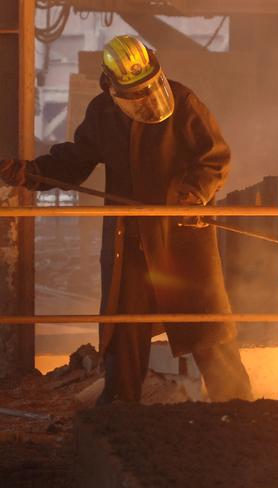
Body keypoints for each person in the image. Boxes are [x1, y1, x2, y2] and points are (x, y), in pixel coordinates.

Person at [0, 35, 253, 404]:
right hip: (129, 242)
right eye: (131, 93)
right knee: (125, 331)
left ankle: (239, 408)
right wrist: (29, 172)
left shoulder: (183, 103)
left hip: (178, 236)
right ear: (110, 83)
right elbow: (73, 162)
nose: (142, 99)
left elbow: (214, 157)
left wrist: (192, 194)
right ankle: (121, 411)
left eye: (147, 88)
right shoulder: (103, 114)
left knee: (204, 324)